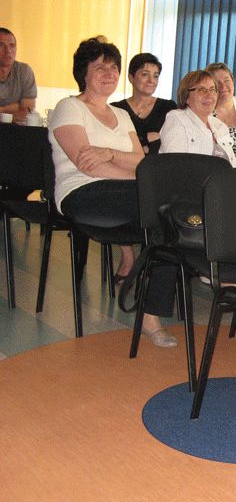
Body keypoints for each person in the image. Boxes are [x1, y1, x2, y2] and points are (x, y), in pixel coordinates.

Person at [49, 36, 177, 348]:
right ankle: (141, 287)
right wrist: (134, 174)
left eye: (113, 68)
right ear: (83, 72)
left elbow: (141, 161)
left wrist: (109, 153)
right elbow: (88, 167)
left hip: (125, 194)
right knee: (166, 209)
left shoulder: (121, 115)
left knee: (169, 226)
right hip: (82, 194)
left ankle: (149, 311)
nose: (109, 73)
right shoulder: (69, 108)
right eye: (99, 67)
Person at [159, 70, 236, 167]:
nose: (209, 95)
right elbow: (176, 165)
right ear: (186, 96)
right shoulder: (177, 119)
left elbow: (234, 166)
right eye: (201, 89)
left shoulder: (220, 126)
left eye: (212, 89)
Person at [111, 53, 176, 154]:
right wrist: (146, 138)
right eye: (145, 74)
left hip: (159, 163)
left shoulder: (168, 107)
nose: (151, 81)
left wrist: (140, 145)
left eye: (155, 76)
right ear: (131, 78)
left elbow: (171, 144)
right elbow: (114, 143)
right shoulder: (116, 109)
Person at [0, 27, 36, 123]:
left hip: (16, 130)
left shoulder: (24, 71)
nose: (8, 51)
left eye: (12, 46)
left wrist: (2, 110)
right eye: (1, 45)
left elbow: (27, 111)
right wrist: (15, 107)